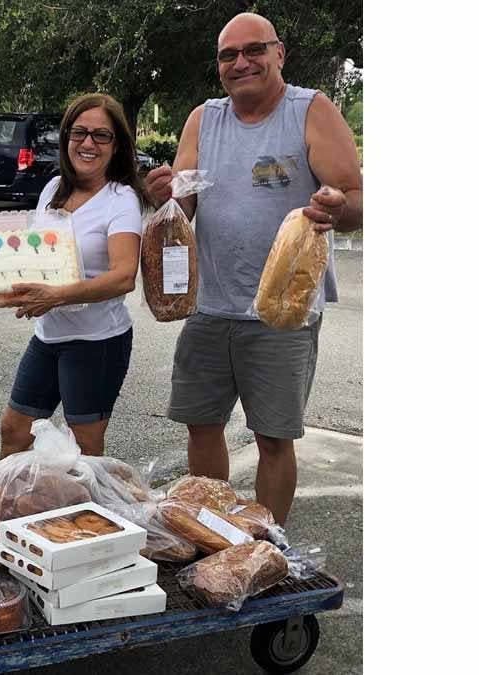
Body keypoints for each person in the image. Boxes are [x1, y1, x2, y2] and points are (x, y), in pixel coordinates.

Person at [144, 12, 363, 524]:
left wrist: (336, 204)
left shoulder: (311, 111)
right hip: (209, 304)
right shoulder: (204, 119)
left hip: (283, 310)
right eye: (228, 55)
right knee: (201, 424)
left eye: (254, 50)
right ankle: (215, 531)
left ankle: (265, 545)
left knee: (273, 437)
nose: (241, 62)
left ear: (279, 53)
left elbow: (357, 199)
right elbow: (184, 206)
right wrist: (161, 196)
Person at [0, 93, 148, 458]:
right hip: (49, 336)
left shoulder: (121, 199)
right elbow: (37, 252)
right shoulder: (52, 190)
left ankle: (85, 516)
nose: (88, 143)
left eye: (101, 135)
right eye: (79, 132)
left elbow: (124, 276)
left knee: (84, 448)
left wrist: (54, 296)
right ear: (66, 137)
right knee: (14, 431)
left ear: (117, 146)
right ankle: (8, 513)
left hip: (96, 341)